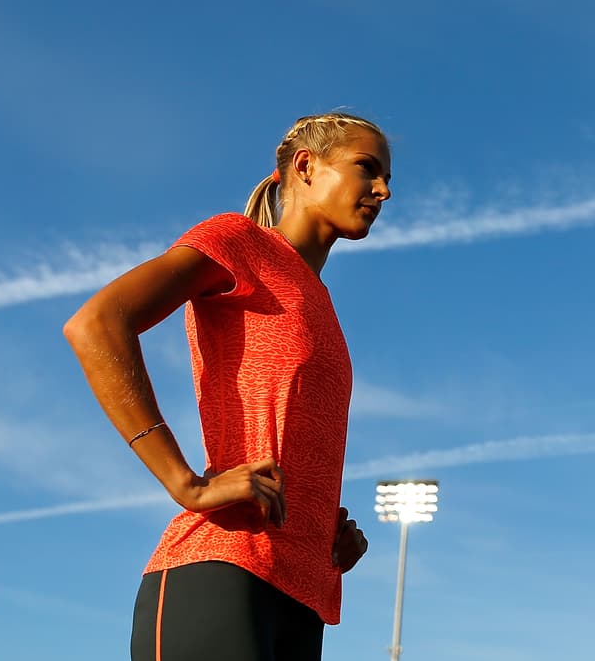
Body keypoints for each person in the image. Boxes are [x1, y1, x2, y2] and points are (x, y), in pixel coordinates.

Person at [64, 112, 393, 660]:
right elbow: (96, 324)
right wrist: (185, 484)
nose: (383, 190)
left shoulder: (324, 306)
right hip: (222, 568)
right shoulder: (238, 241)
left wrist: (324, 531)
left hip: (302, 596)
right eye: (368, 169)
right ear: (307, 167)